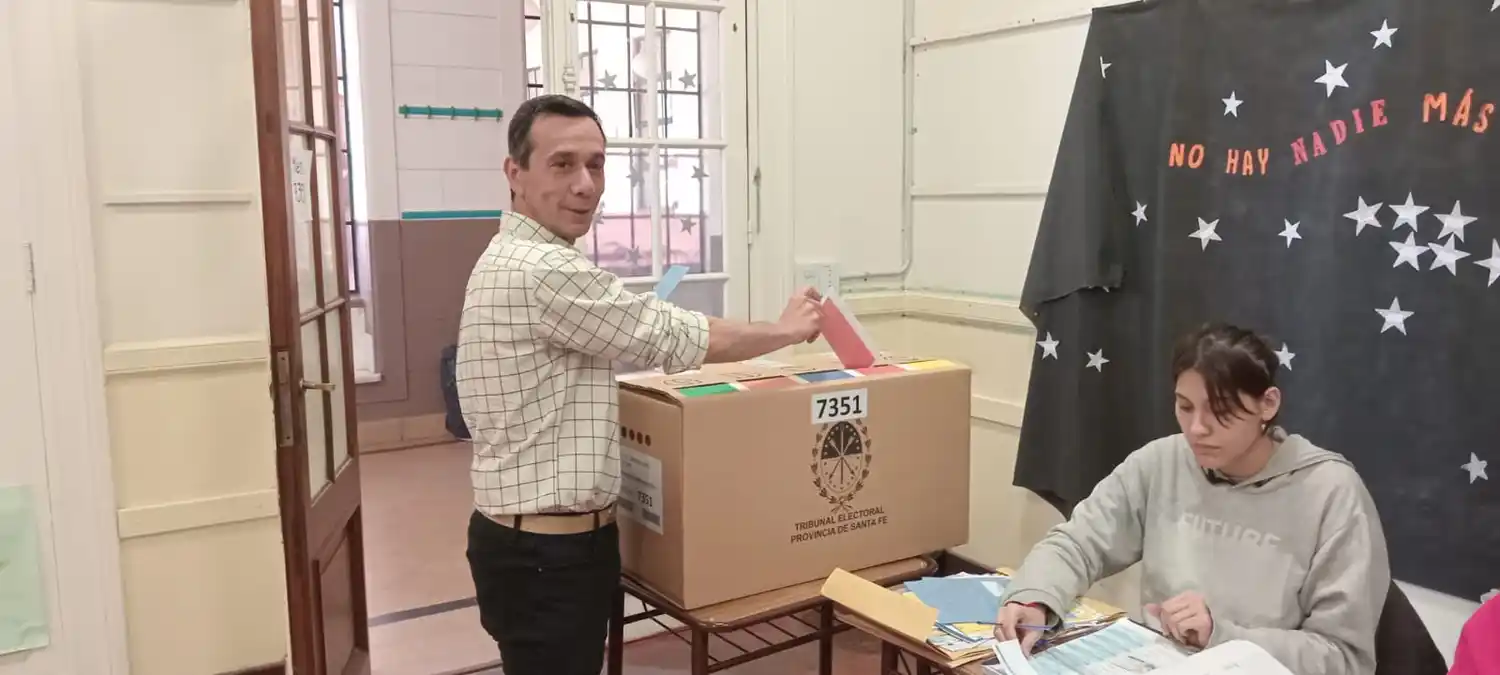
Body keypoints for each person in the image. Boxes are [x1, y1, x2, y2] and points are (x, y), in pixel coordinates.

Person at [455, 94, 824, 675]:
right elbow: (671, 334)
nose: (586, 184)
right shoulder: (541, 269)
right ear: (514, 173)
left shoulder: (513, 256)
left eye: (597, 164)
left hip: (536, 544)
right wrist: (783, 331)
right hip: (548, 556)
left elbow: (627, 327)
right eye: (562, 164)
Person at [995, 322, 1391, 675]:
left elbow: (1343, 659)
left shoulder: (1332, 493)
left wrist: (1221, 635)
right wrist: (1036, 598)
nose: (1197, 429)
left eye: (1220, 411)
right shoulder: (1162, 461)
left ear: (1267, 404)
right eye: (1184, 407)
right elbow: (1080, 542)